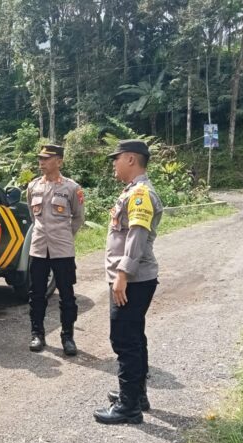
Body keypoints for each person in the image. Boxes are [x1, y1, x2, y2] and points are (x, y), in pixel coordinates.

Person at [94, 140, 163, 425]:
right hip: (135, 279)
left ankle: (128, 407)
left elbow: (136, 235)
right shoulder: (133, 191)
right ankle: (137, 395)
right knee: (135, 336)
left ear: (132, 159)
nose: (114, 163)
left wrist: (122, 275)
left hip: (132, 280)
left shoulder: (139, 194)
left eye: (117, 158)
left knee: (124, 340)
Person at [26, 144, 85, 355]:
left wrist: (65, 236)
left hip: (63, 250)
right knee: (36, 294)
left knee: (67, 295)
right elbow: (34, 217)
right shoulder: (33, 187)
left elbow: (78, 217)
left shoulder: (71, 188)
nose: (41, 162)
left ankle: (67, 336)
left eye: (46, 158)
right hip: (39, 248)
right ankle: (37, 334)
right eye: (40, 158)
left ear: (59, 161)